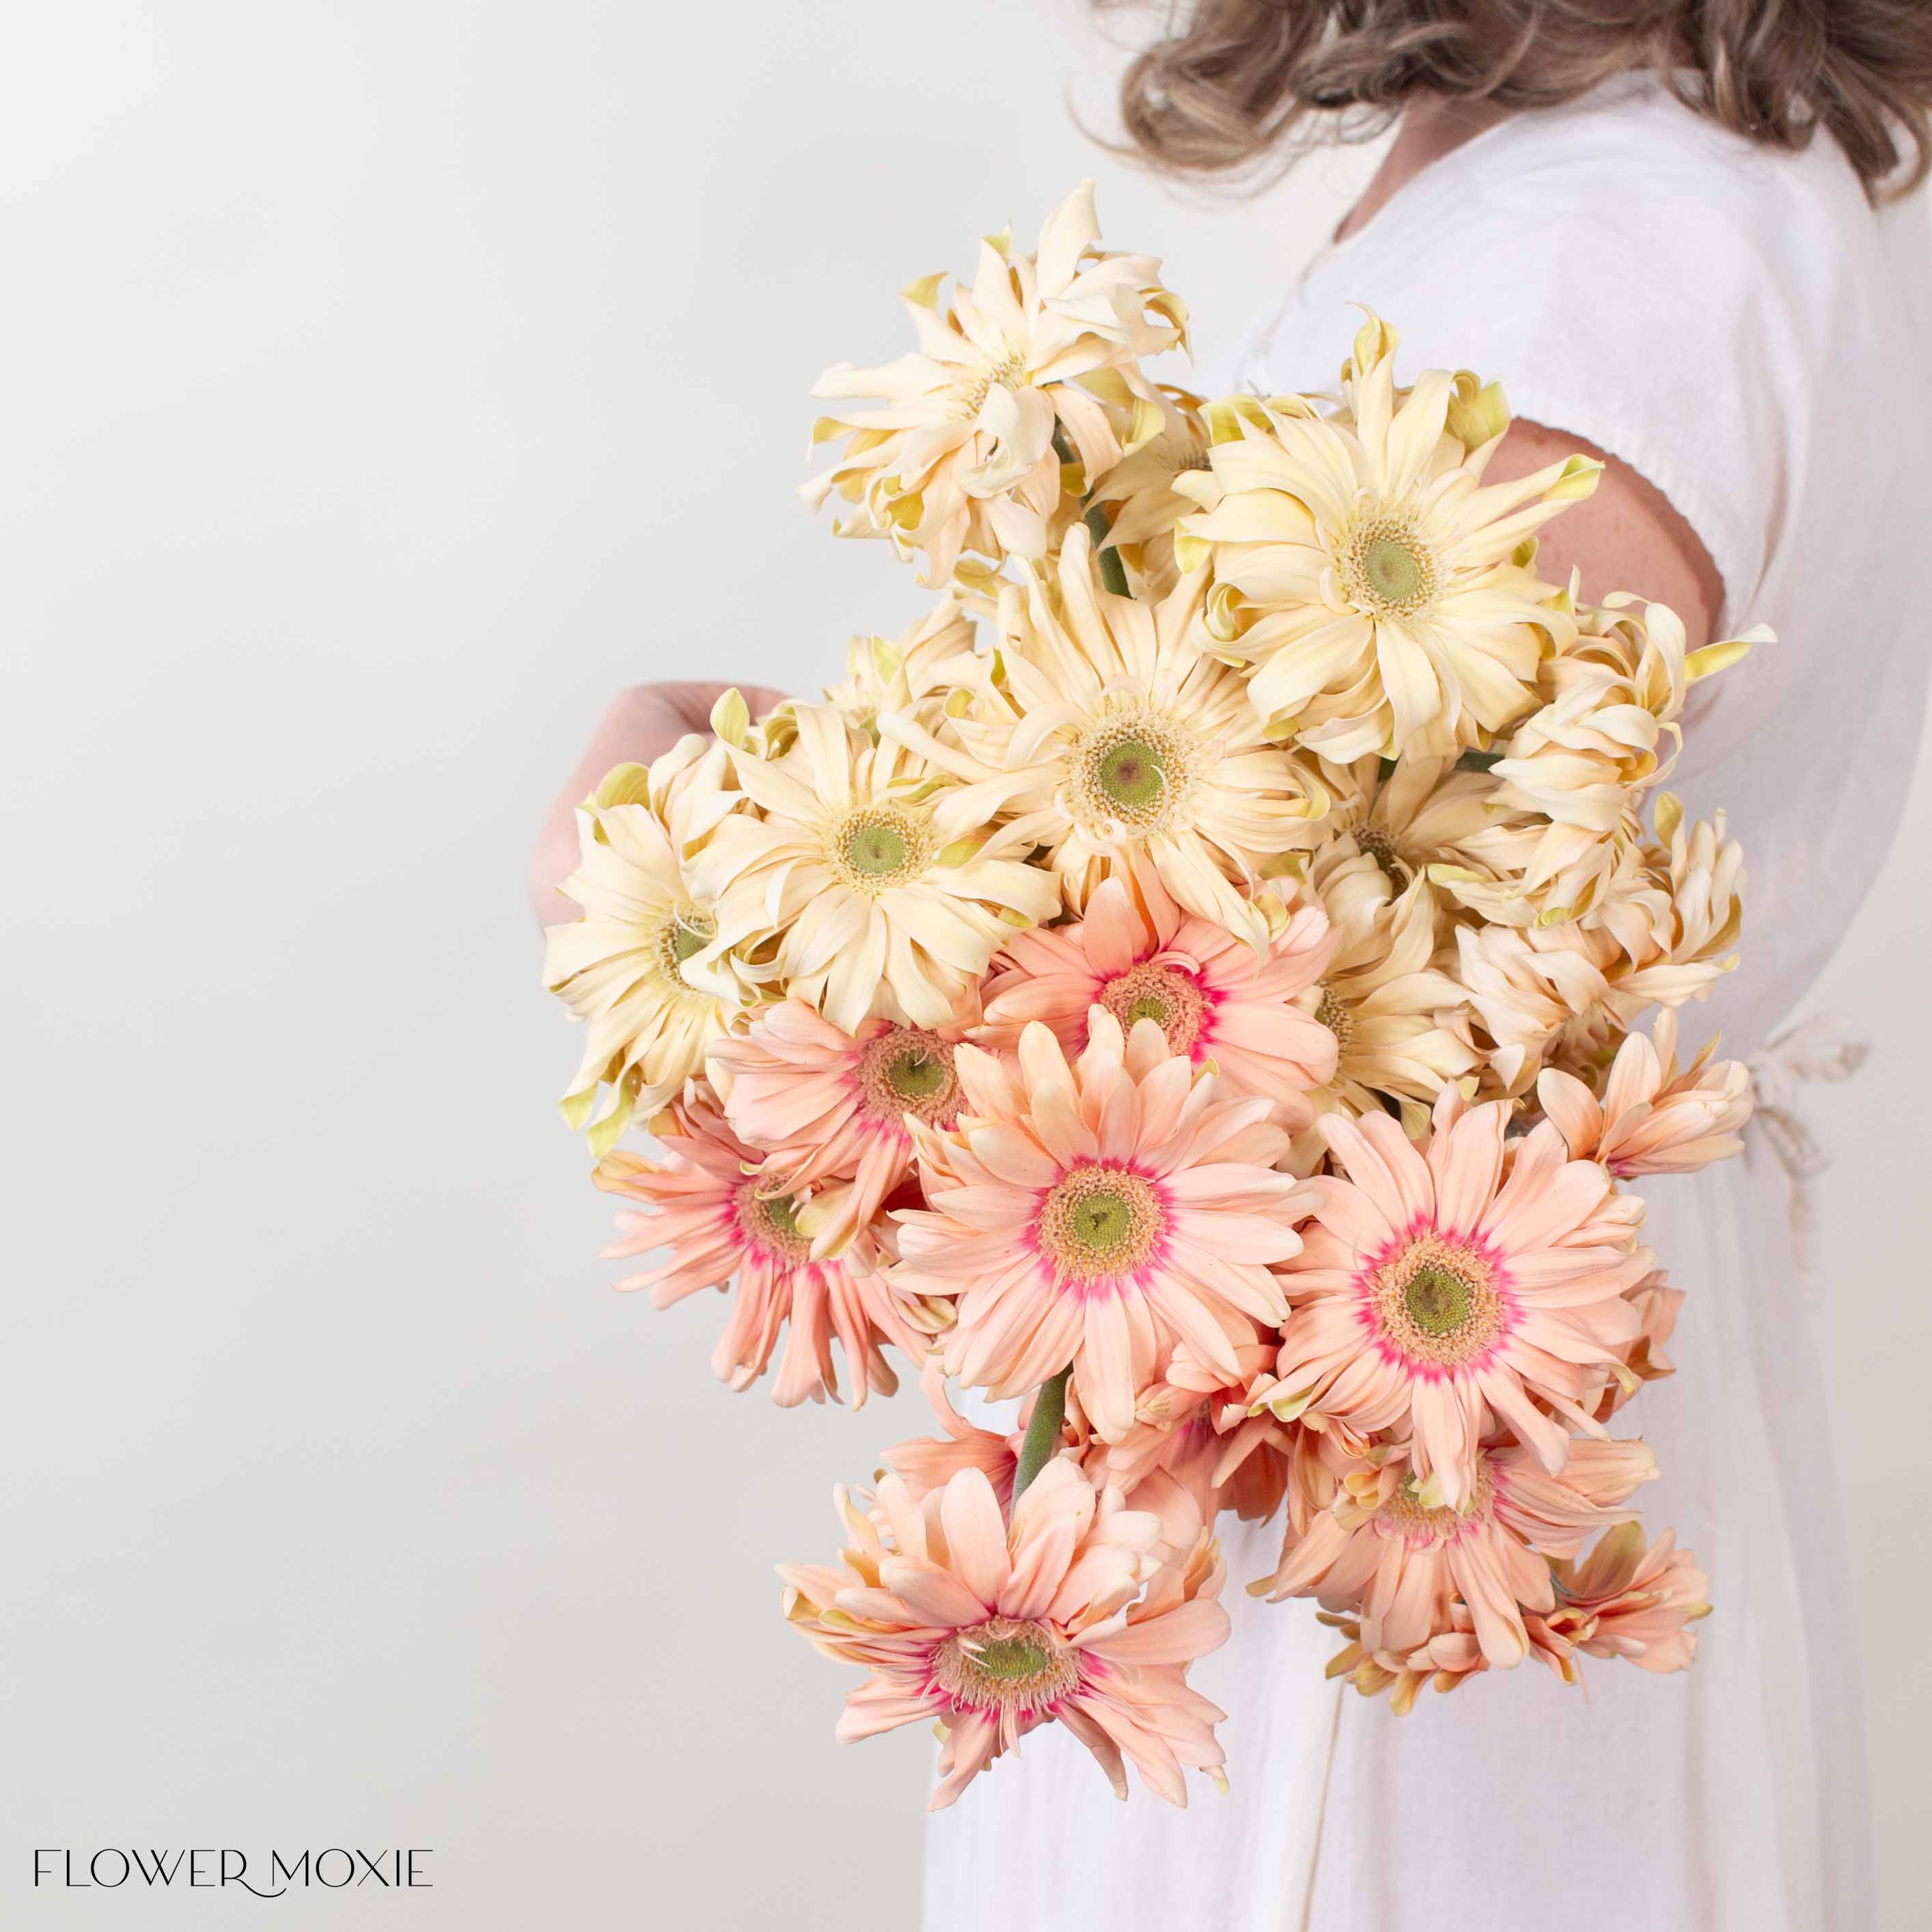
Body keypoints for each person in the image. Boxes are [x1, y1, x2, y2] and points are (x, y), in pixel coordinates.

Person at [532, 5, 1932, 1925]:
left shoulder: (1605, 262)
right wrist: (813, 790)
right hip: (1379, 1454)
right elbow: (1258, 857)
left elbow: (1241, 1026)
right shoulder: (1613, 189)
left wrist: (663, 857)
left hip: (1398, 1490)